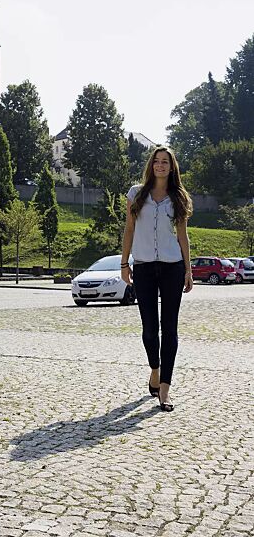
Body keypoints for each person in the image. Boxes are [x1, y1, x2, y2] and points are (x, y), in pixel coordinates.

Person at [121, 146, 193, 412]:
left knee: (170, 329)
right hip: (143, 268)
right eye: (157, 161)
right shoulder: (136, 194)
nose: (160, 165)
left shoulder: (178, 197)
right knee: (150, 330)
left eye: (165, 162)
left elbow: (183, 236)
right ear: (151, 165)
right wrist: (123, 262)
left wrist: (188, 270)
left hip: (173, 268)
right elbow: (129, 229)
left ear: (172, 167)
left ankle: (165, 389)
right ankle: (155, 368)